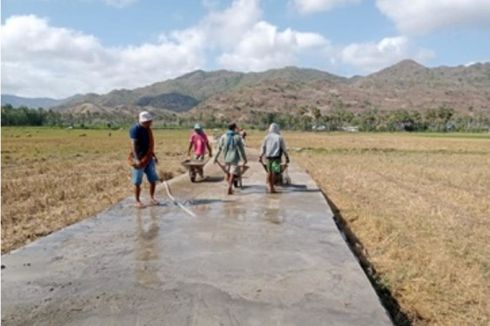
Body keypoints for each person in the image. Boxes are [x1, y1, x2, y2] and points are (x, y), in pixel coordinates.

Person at [128, 111, 160, 208]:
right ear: (144, 121)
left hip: (148, 158)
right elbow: (133, 145)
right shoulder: (135, 129)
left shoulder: (148, 130)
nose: (151, 123)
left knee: (153, 179)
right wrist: (137, 159)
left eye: (150, 121)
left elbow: (149, 144)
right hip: (139, 158)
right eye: (149, 121)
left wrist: (154, 155)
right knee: (137, 182)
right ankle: (137, 201)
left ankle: (152, 198)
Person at [214, 123, 247, 195]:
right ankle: (229, 187)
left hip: (226, 158)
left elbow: (219, 149)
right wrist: (244, 159)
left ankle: (229, 186)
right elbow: (241, 150)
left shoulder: (223, 136)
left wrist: (215, 158)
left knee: (228, 172)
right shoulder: (237, 137)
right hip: (234, 158)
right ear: (234, 128)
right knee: (232, 173)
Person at [259, 123, 290, 193]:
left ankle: (269, 185)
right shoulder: (279, 137)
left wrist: (260, 156)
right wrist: (287, 157)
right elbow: (284, 148)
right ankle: (272, 187)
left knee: (269, 171)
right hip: (276, 157)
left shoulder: (266, 137)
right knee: (274, 172)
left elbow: (263, 147)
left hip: (268, 157)